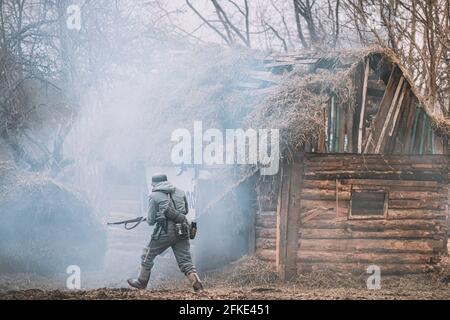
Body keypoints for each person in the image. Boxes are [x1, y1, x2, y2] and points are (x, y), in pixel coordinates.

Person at [127, 174, 204, 292]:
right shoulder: (181, 192)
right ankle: (197, 284)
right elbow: (185, 211)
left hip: (164, 231)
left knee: (147, 254)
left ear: (155, 184)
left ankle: (141, 282)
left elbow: (151, 221)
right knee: (185, 261)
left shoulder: (153, 196)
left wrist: (147, 218)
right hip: (182, 229)